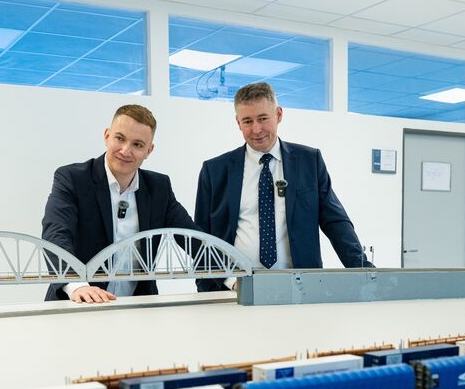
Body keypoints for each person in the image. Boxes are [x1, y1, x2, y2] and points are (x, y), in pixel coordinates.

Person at [194, 81, 372, 291]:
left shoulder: (309, 161)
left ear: (278, 115)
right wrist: (230, 282)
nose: (256, 129)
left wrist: (365, 271)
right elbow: (202, 237)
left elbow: (335, 222)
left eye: (263, 118)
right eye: (247, 121)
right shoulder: (215, 171)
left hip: (300, 287)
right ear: (238, 123)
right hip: (235, 289)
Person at [42, 104, 195, 303]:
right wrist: (77, 285)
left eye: (137, 144)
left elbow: (193, 238)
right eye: (120, 138)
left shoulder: (159, 187)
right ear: (107, 136)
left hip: (138, 309)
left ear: (149, 150)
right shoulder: (72, 179)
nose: (125, 150)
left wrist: (231, 279)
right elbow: (56, 234)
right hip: (78, 304)